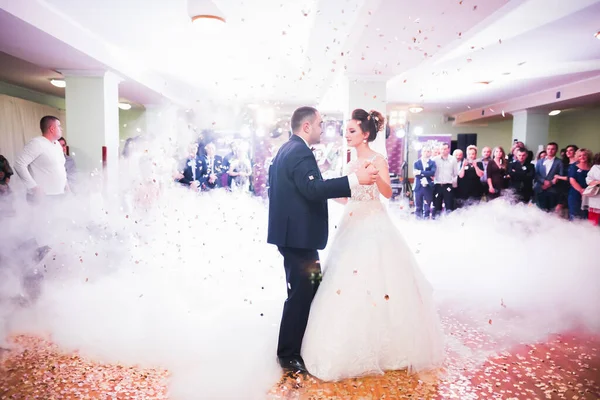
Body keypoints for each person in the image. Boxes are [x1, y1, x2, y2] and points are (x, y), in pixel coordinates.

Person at [301, 108, 444, 381]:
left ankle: (388, 348)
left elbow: (388, 193)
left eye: (352, 130)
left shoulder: (378, 159)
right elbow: (346, 196)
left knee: (379, 277)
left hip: (374, 222)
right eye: (346, 130)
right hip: (351, 220)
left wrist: (375, 176)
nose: (347, 134)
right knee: (344, 281)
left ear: (365, 134)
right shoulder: (348, 160)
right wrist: (326, 191)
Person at [267, 106, 379, 376]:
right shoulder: (299, 152)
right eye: (319, 124)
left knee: (311, 290)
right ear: (306, 126)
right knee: (300, 295)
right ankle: (288, 355)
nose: (322, 128)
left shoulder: (288, 149)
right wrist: (354, 179)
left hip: (295, 237)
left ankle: (302, 343)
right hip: (298, 240)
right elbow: (313, 188)